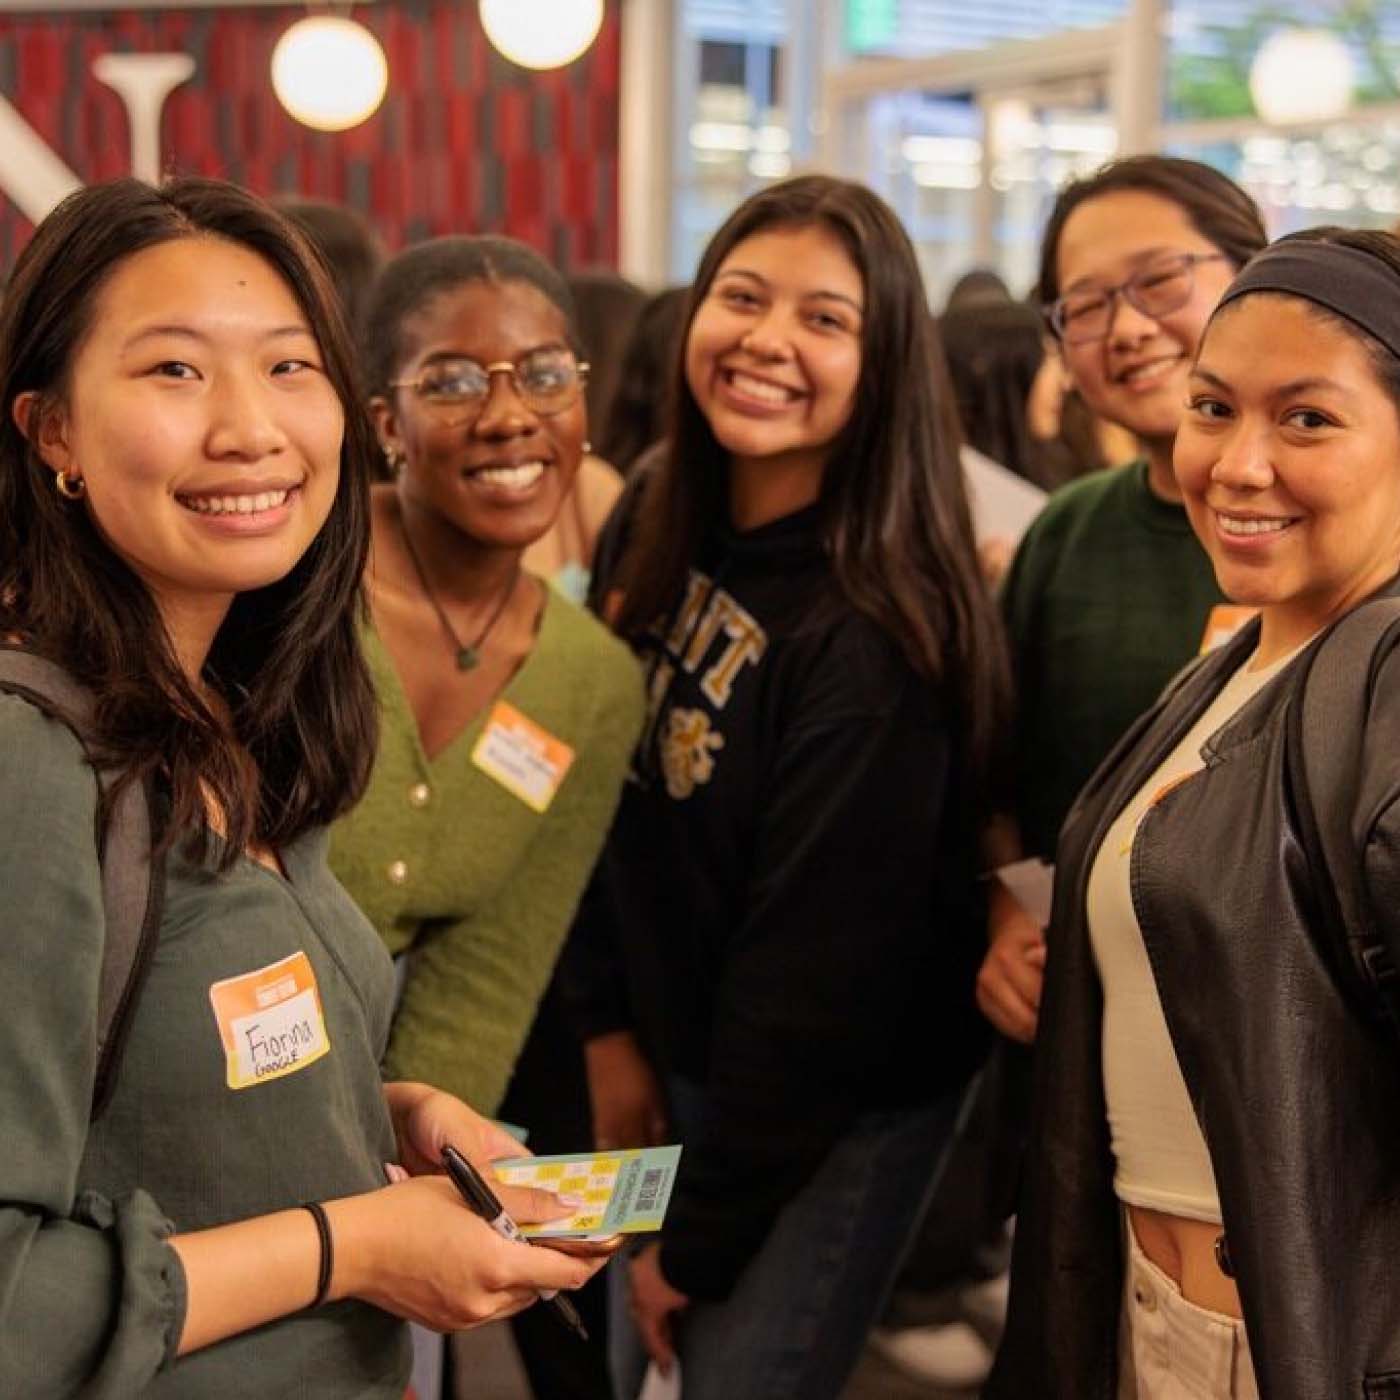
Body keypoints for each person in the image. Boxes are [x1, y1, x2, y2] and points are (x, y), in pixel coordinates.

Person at [0, 176, 606, 1399]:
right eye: (173, 370)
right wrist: (360, 1242)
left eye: (287, 367)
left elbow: (158, 1102)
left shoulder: (238, 714)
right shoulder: (29, 763)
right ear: (51, 429)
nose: (249, 428)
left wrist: (391, 1113)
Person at [565, 173, 1009, 1400]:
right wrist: (607, 1027)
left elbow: (816, 981)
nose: (767, 340)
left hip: (830, 1097)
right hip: (672, 1042)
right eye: (742, 297)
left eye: (824, 318)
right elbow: (598, 796)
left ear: (884, 364)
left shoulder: (878, 628)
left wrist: (693, 1238)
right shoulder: (657, 510)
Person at [988, 226, 1400, 1398]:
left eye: (1306, 419)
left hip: (1275, 1345)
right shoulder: (1240, 657)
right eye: (1213, 407)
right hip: (1141, 1307)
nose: (1236, 462)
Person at [328, 234, 644, 1399]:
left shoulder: (591, 681)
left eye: (544, 373)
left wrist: (404, 1199)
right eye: (453, 380)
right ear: (384, 422)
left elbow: (486, 976)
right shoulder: (297, 575)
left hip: (375, 1116)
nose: (509, 413)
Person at [977, 156, 1267, 1049]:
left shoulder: (1337, 526)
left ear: (1254, 272)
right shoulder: (1067, 534)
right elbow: (1008, 777)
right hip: (1093, 1026)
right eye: (1088, 305)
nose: (1128, 328)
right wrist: (1009, 913)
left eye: (1159, 280)